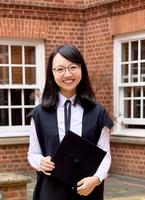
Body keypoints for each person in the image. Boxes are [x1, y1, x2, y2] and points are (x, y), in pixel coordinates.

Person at [27, 44, 113, 200]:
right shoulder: (39, 114)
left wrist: (96, 180)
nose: (67, 74)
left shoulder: (97, 112)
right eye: (60, 69)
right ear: (51, 73)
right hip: (50, 192)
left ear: (82, 69)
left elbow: (105, 155)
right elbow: (33, 153)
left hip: (87, 192)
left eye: (73, 67)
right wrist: (41, 162)